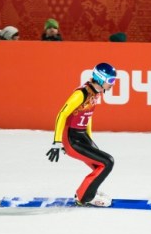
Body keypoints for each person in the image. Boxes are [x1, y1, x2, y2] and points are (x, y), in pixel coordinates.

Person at [45, 62, 117, 207]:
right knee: (107, 162)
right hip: (72, 140)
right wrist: (57, 142)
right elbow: (62, 114)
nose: (112, 84)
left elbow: (87, 116)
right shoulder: (81, 93)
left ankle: (90, 190)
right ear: (101, 79)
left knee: (101, 164)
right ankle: (84, 197)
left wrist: (89, 138)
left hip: (81, 136)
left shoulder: (95, 92)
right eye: (110, 80)